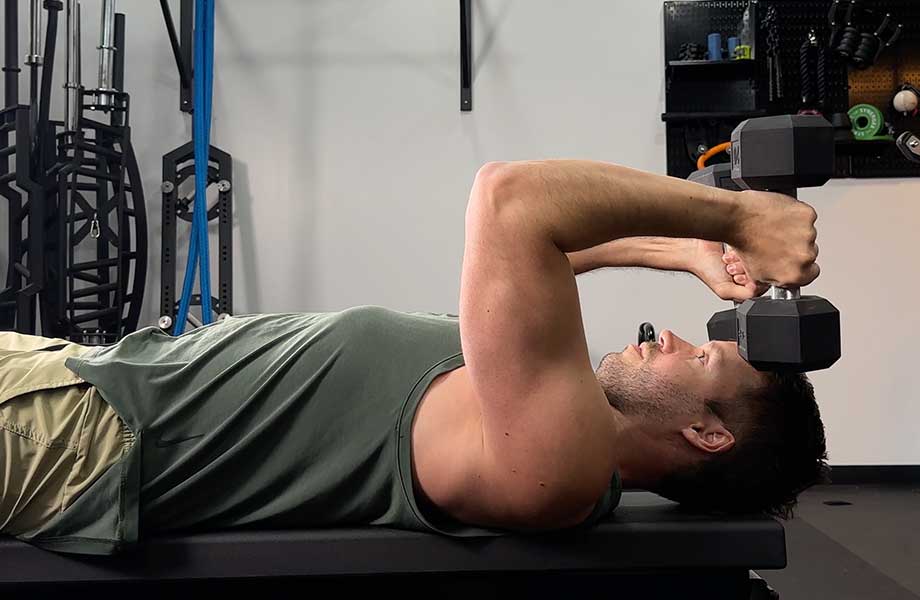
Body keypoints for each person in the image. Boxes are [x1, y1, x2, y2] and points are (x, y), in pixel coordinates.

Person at [0, 160, 829, 556]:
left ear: (707, 435)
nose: (675, 336)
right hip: (77, 378)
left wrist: (735, 216)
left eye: (704, 359)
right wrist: (676, 248)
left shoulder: (561, 462)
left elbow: (511, 203)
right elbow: (513, 275)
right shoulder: (540, 399)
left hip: (79, 439)